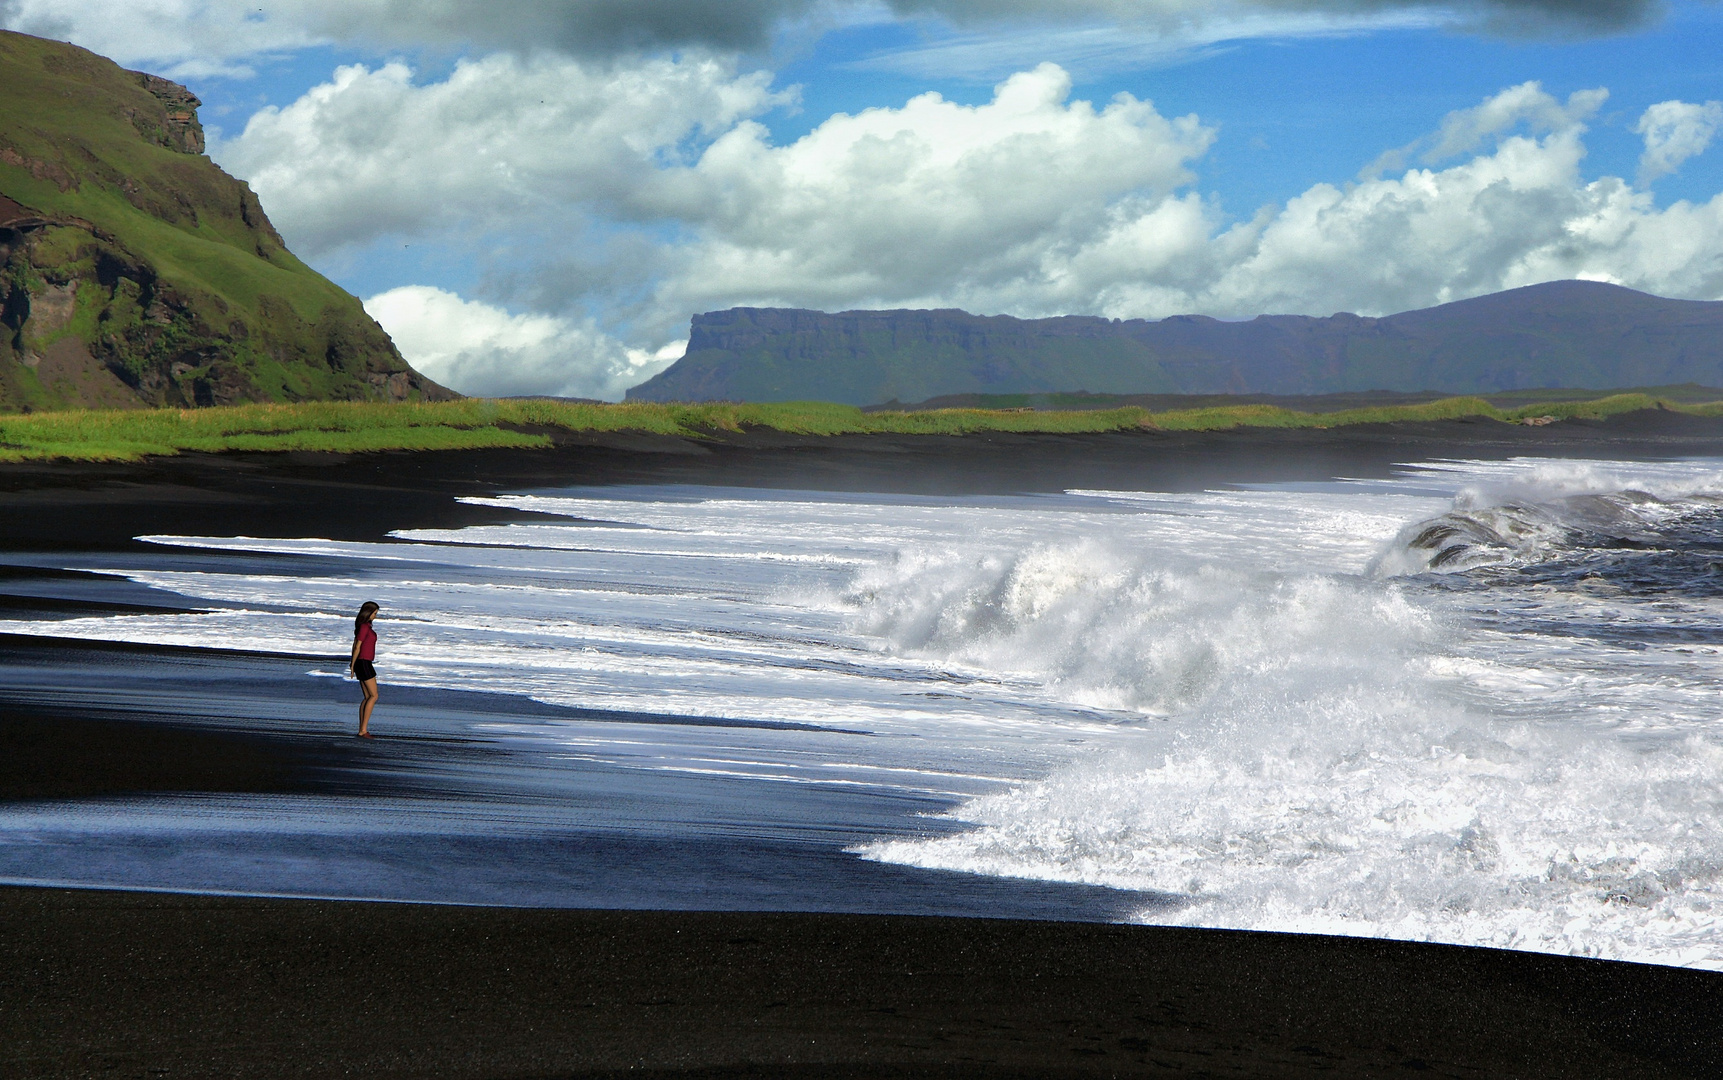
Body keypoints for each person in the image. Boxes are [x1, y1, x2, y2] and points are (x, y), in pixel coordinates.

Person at [349, 601, 381, 737]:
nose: (375, 616)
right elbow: (357, 646)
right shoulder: (364, 627)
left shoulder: (366, 626)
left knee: (368, 696)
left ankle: (362, 729)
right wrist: (353, 664)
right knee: (374, 696)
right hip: (363, 663)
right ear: (368, 613)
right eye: (374, 613)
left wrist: (353, 664)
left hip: (364, 662)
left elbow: (356, 644)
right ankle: (363, 730)